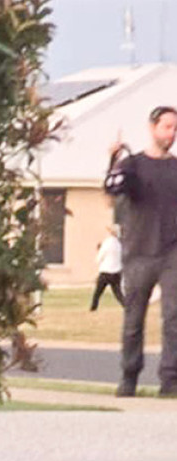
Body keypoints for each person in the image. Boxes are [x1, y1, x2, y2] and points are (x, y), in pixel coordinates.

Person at [105, 107, 177, 396]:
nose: (171, 134)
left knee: (173, 318)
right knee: (133, 320)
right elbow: (112, 187)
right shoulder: (132, 165)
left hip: (172, 253)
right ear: (153, 127)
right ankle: (129, 377)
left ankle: (170, 380)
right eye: (167, 127)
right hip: (138, 253)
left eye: (175, 129)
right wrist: (113, 158)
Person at [90, 226, 124, 312]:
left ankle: (93, 308)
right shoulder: (119, 245)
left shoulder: (106, 243)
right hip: (116, 272)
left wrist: (98, 255)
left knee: (97, 292)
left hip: (105, 271)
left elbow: (99, 257)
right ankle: (127, 306)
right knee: (118, 293)